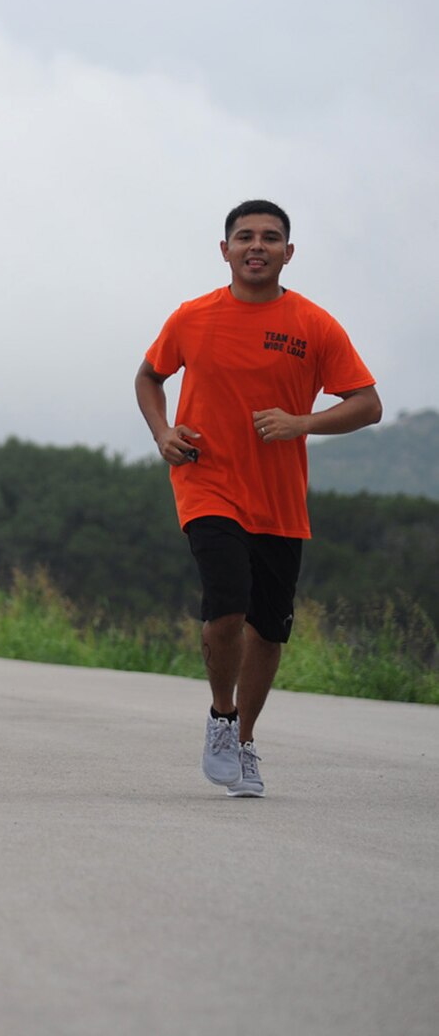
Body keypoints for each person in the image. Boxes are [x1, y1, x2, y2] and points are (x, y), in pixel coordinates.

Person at [134, 199, 381, 798]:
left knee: (268, 629)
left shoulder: (313, 325)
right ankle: (222, 718)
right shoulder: (193, 317)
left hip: (279, 501)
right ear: (225, 250)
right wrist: (164, 434)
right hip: (207, 483)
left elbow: (367, 404)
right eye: (245, 236)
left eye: (271, 238)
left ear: (287, 253)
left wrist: (303, 422)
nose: (257, 246)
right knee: (226, 605)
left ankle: (243, 739)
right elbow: (149, 377)